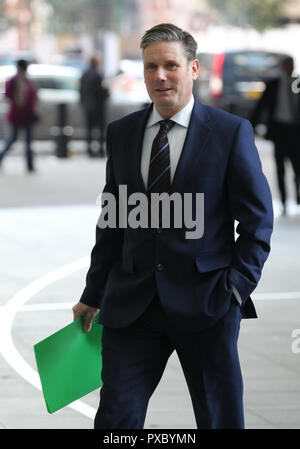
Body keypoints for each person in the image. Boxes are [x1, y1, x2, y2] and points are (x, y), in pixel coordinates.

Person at [72, 23, 273, 429]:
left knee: (219, 418)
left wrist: (235, 288)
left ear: (194, 69)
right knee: (115, 419)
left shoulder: (231, 133)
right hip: (133, 307)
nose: (159, 76)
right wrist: (93, 292)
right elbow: (112, 222)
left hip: (207, 305)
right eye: (150, 67)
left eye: (170, 65)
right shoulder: (122, 133)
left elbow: (257, 221)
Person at [251, 56, 300, 215]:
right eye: (287, 65)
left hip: (295, 131)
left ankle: (297, 197)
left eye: (292, 65)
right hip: (279, 131)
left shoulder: (297, 84)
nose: (289, 68)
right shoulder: (273, 85)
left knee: (297, 166)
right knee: (280, 167)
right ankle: (285, 201)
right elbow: (261, 107)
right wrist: (249, 127)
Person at [0, 59, 38, 172]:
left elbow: (33, 96)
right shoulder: (14, 80)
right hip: (17, 115)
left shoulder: (27, 80)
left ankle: (30, 165)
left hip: (27, 115)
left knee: (28, 141)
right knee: (13, 138)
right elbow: (8, 95)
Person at [79, 55, 108, 158]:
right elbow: (100, 91)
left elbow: (81, 91)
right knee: (100, 129)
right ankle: (100, 150)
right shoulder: (97, 74)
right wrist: (107, 93)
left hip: (88, 106)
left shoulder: (84, 74)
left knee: (89, 129)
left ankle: (90, 151)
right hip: (98, 107)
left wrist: (83, 103)